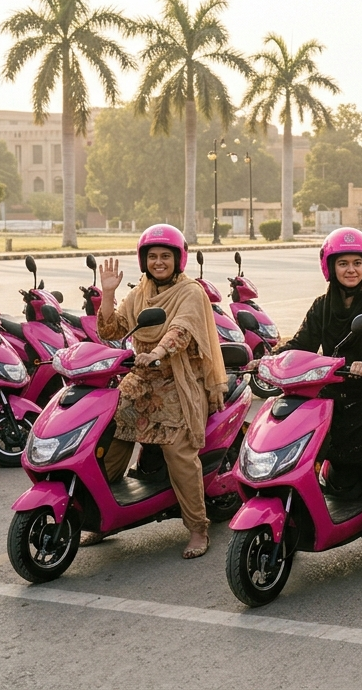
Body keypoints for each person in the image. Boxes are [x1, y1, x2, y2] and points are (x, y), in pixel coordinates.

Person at [280, 227, 362, 583]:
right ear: (330, 267)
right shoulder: (323, 306)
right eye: (343, 263)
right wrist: (274, 357)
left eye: (357, 263)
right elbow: (303, 342)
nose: (351, 269)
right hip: (332, 400)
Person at [90, 224, 229, 559]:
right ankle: (102, 516)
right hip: (141, 378)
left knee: (178, 454)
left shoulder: (190, 292)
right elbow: (111, 329)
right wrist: (107, 294)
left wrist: (158, 352)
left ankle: (197, 528)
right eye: (152, 257)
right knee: (111, 437)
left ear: (177, 259)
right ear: (144, 261)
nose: (158, 262)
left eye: (165, 256)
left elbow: (181, 330)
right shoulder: (140, 292)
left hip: (177, 380)